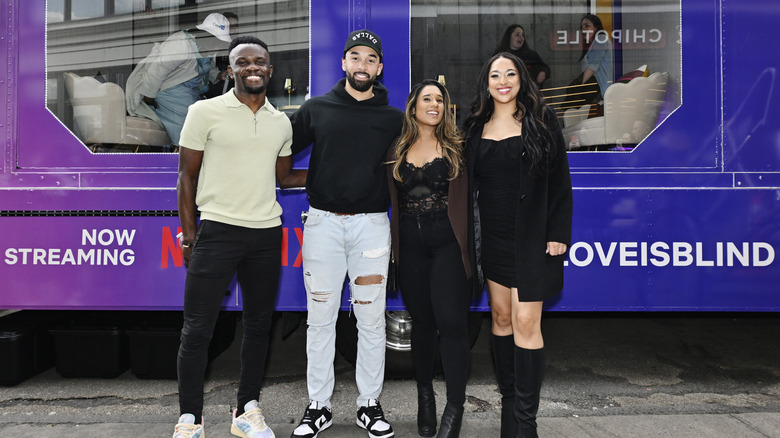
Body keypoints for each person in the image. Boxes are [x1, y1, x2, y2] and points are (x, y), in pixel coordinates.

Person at [173, 35, 306, 438]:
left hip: (266, 234)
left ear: (270, 70)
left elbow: (285, 178)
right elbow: (186, 176)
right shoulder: (204, 111)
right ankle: (189, 419)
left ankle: (246, 411)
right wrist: (190, 235)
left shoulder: (281, 121)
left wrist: (338, 176)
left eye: (260, 62)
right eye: (243, 62)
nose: (252, 68)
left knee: (258, 325)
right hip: (216, 232)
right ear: (231, 71)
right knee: (197, 329)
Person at [289, 29, 403, 438]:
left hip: (371, 226)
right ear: (343, 63)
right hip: (321, 223)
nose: (362, 65)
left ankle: (368, 405)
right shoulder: (316, 108)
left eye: (370, 59)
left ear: (379, 68)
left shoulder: (393, 118)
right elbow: (280, 148)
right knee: (319, 319)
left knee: (371, 321)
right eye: (355, 57)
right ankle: (318, 406)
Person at [464, 53, 573, 438]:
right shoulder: (475, 126)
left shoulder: (542, 123)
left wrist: (558, 232)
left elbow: (560, 182)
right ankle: (509, 408)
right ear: (487, 82)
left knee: (527, 321)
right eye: (495, 74)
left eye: (510, 73)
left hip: (532, 237)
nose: (503, 80)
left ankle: (525, 423)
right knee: (501, 319)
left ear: (521, 79)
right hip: (491, 238)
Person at [387, 79, 474, 438]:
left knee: (452, 325)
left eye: (440, 99)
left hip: (447, 245)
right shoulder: (396, 148)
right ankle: (426, 397)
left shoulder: (458, 148)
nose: (435, 104)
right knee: (422, 324)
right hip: (409, 246)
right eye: (427, 99)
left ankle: (455, 406)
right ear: (413, 107)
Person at [125, 13, 232, 146]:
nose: (217, 46)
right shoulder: (180, 43)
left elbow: (205, 68)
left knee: (204, 119)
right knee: (189, 124)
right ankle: (180, 156)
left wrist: (217, 76)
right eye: (216, 40)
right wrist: (149, 96)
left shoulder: (204, 47)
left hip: (189, 92)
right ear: (206, 34)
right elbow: (156, 70)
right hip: (166, 90)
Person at [562, 14, 614, 114]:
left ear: (596, 27)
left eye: (587, 26)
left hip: (599, 89)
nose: (583, 29)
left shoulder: (601, 39)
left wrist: (578, 84)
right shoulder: (593, 42)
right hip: (594, 87)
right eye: (581, 27)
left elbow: (593, 66)